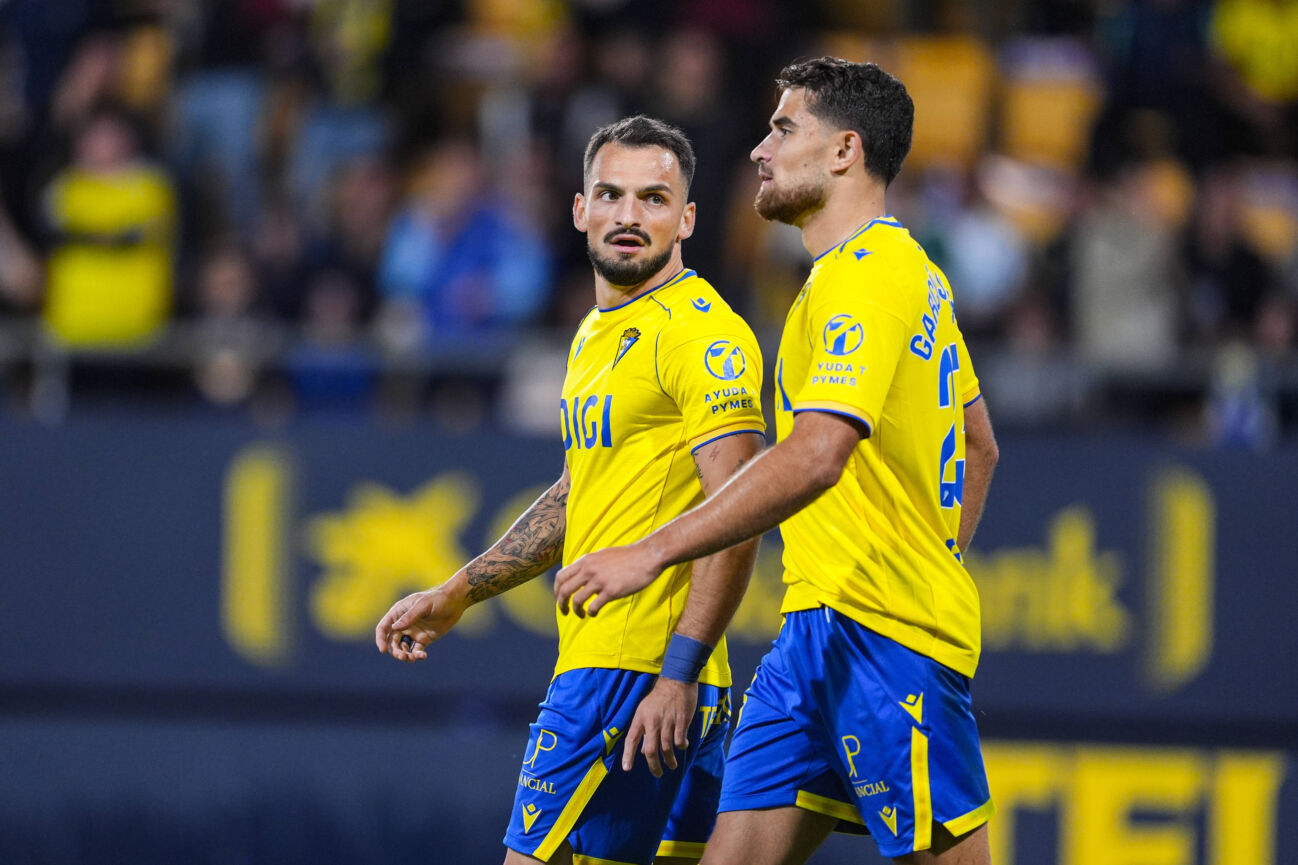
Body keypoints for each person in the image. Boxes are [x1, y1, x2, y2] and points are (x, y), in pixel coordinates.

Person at [554, 59, 1001, 865]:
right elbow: (977, 444)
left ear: (845, 151)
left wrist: (653, 549)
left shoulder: (868, 277)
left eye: (784, 128)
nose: (761, 149)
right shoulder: (893, 277)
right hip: (811, 637)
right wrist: (933, 550)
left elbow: (819, 453)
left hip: (886, 635)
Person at [374, 116, 767, 865]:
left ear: (686, 218)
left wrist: (678, 672)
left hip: (636, 672)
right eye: (610, 194)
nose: (628, 215)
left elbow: (740, 510)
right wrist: (460, 590)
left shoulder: (701, 335)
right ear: (580, 209)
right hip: (640, 672)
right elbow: (575, 492)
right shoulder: (597, 333)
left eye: (653, 198)